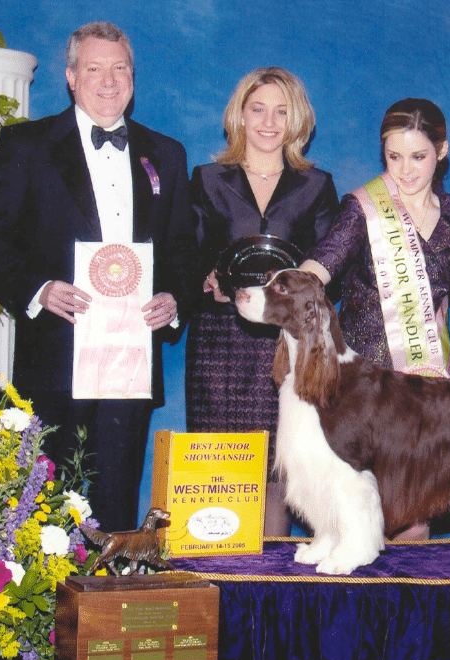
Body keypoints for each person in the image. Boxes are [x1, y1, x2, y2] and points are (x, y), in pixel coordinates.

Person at [0, 22, 197, 533]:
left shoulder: (167, 154)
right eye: (94, 69)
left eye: (120, 69)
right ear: (71, 77)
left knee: (116, 507)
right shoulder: (27, 145)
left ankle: (108, 610)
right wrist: (39, 289)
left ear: (133, 77)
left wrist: (174, 298)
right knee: (45, 509)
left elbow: (184, 251)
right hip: (55, 361)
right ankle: (47, 614)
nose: (108, 81)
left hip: (131, 364)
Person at [303, 98, 450, 540]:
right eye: (394, 156)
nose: (404, 170)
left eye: (418, 156)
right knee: (363, 510)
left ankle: (406, 606)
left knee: (415, 513)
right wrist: (283, 287)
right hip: (363, 390)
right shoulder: (362, 208)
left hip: (425, 385)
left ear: (442, 151)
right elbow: (321, 266)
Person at [186, 67, 339, 535]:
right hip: (220, 344)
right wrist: (205, 278)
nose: (269, 122)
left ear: (297, 120)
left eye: (281, 111)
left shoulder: (316, 185)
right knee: (224, 471)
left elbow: (328, 269)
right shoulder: (208, 179)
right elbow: (185, 255)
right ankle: (222, 587)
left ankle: (271, 586)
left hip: (286, 346)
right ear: (240, 115)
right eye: (258, 109)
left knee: (280, 468)